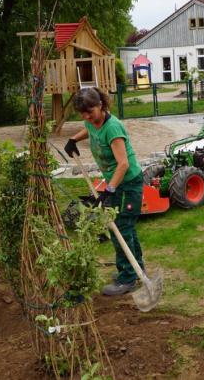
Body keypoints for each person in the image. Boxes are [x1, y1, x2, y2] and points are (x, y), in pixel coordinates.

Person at [64, 87, 145, 296]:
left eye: (89, 111)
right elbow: (89, 130)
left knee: (120, 229)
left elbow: (123, 164)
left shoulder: (113, 128)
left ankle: (127, 278)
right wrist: (73, 139)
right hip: (118, 183)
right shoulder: (92, 122)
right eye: (82, 113)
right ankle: (137, 270)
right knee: (125, 227)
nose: (86, 117)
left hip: (127, 183)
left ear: (100, 105)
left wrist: (109, 189)